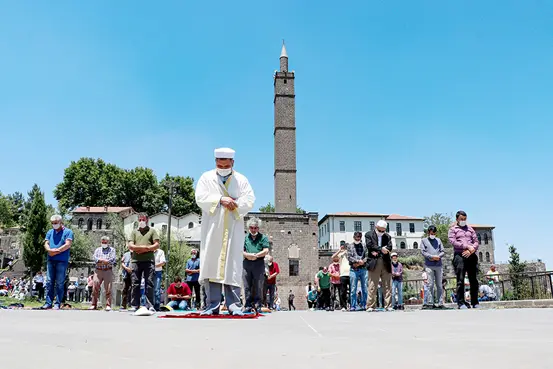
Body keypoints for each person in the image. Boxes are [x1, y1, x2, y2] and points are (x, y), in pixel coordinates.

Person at [195, 147, 255, 315]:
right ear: (215, 162)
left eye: (225, 165)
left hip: (233, 229)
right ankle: (212, 305)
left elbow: (249, 199)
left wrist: (235, 205)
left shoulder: (241, 180)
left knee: (232, 265)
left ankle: (234, 305)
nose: (222, 168)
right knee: (212, 263)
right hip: (213, 229)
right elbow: (200, 198)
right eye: (219, 165)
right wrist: (220, 200)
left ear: (232, 163)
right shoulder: (206, 178)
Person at [128, 213, 160, 312]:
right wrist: (145, 248)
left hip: (149, 261)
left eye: (143, 219)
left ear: (147, 220)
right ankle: (135, 305)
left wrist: (144, 249)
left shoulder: (152, 231)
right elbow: (131, 246)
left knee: (149, 283)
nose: (142, 221)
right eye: (140, 219)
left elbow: (156, 245)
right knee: (135, 283)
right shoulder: (134, 232)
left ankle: (150, 305)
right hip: (136, 261)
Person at [448, 210, 480, 309]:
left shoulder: (470, 229)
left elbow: (476, 241)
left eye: (465, 219)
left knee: (473, 280)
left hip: (471, 255)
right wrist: (466, 247)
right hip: (459, 255)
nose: (463, 221)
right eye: (461, 219)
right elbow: (453, 242)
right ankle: (461, 303)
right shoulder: (453, 230)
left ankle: (475, 302)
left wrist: (472, 250)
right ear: (457, 219)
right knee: (460, 280)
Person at [41, 215, 74, 310]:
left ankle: (58, 303)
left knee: (59, 282)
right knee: (49, 282)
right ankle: (48, 303)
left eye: (56, 223)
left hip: (62, 260)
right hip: (51, 259)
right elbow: (46, 243)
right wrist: (49, 250)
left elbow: (68, 244)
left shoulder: (68, 232)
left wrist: (57, 251)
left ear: (61, 222)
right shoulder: (50, 232)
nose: (54, 225)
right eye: (52, 223)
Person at [242, 217, 270, 313]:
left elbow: (266, 250)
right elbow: (241, 251)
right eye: (251, 228)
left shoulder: (263, 238)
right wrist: (248, 255)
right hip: (247, 263)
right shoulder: (245, 238)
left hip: (259, 263)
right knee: (246, 285)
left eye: (255, 228)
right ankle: (248, 305)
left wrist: (256, 255)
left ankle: (258, 304)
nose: (253, 230)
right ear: (248, 228)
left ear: (258, 228)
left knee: (258, 284)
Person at [366, 220, 393, 312]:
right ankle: (370, 305)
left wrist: (386, 250)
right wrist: (381, 249)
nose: (381, 232)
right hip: (374, 262)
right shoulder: (368, 234)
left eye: (383, 231)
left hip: (386, 262)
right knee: (372, 285)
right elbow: (369, 245)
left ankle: (388, 305)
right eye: (380, 230)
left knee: (387, 285)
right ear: (376, 227)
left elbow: (390, 247)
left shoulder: (388, 236)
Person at [421, 225, 446, 309]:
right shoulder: (424, 241)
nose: (433, 234)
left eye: (434, 233)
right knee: (430, 284)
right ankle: (430, 303)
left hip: (438, 265)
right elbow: (423, 252)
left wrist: (438, 256)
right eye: (432, 233)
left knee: (439, 284)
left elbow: (442, 251)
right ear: (428, 232)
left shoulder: (438, 240)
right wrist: (431, 257)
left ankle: (440, 303)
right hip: (429, 266)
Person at [90, 236, 117, 311]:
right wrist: (103, 261)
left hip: (108, 270)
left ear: (108, 243)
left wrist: (101, 261)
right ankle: (93, 304)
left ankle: (108, 305)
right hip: (98, 271)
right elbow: (95, 258)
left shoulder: (112, 250)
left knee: (108, 288)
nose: (103, 243)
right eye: (102, 242)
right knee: (95, 286)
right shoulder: (97, 250)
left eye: (105, 242)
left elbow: (112, 259)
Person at [347, 232, 368, 311]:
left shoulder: (364, 245)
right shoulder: (350, 246)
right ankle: (353, 305)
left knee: (365, 288)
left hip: (363, 269)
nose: (357, 238)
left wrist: (362, 262)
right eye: (356, 237)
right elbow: (349, 257)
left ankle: (364, 305)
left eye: (359, 237)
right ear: (353, 237)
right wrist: (357, 261)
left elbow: (367, 256)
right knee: (353, 289)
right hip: (353, 269)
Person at [332, 243, 350, 311]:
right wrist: (339, 250)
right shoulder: (340, 254)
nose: (346, 248)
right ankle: (343, 306)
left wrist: (347, 252)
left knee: (352, 291)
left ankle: (350, 305)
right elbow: (333, 257)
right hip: (343, 274)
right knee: (343, 291)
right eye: (345, 247)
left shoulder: (350, 253)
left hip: (350, 273)